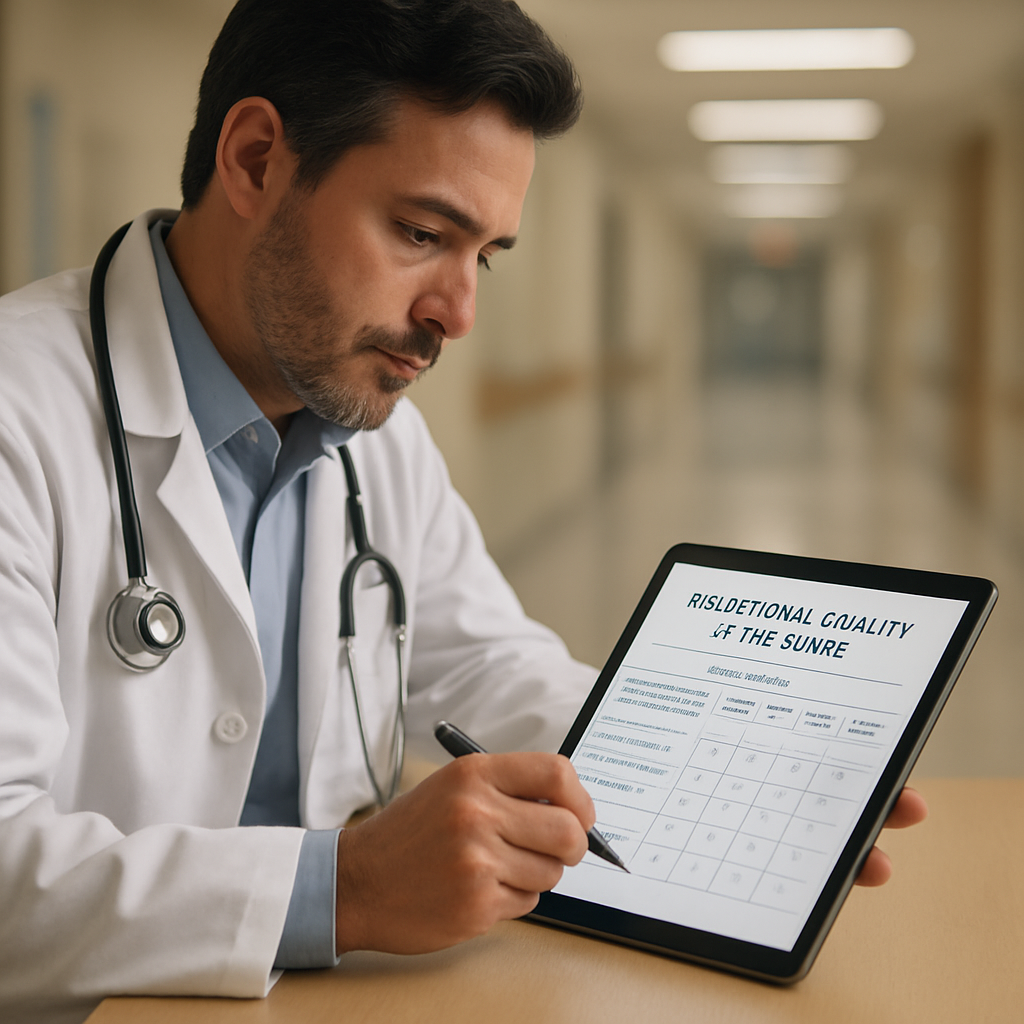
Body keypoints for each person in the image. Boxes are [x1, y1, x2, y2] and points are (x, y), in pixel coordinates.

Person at [0, 2, 926, 1021]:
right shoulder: (22, 415)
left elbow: (487, 663)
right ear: (258, 160)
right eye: (422, 232)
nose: (458, 312)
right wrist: (343, 886)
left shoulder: (372, 439)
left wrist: (719, 774)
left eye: (482, 254)